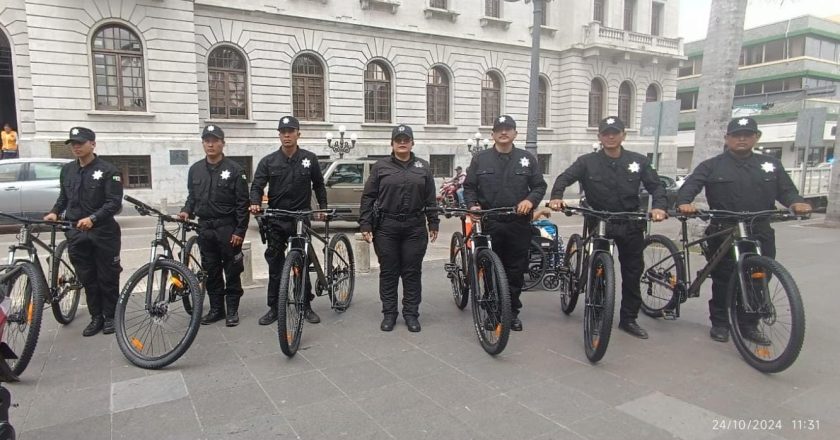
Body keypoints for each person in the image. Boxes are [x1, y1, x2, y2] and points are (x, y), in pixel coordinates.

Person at [676, 117, 811, 344]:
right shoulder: (712, 165)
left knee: (759, 278)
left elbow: (787, 191)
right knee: (723, 278)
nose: (742, 139)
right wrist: (685, 203)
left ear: (756, 138)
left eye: (747, 135)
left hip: (759, 230)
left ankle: (749, 324)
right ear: (727, 138)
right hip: (724, 230)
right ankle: (720, 322)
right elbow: (689, 187)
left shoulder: (770, 165)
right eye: (736, 135)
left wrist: (796, 202)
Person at [548, 116, 667, 340]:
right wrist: (556, 197)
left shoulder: (639, 161)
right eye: (605, 133)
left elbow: (656, 186)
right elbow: (565, 178)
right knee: (599, 268)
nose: (610, 136)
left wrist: (659, 207)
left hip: (629, 221)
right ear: (599, 136)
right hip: (599, 219)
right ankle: (598, 312)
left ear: (624, 135)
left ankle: (628, 319)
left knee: (633, 270)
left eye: (615, 132)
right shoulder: (587, 161)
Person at [462, 115, 547, 331]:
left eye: (508, 129)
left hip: (518, 224)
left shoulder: (527, 158)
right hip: (490, 223)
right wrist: (472, 205)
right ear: (492, 134)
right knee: (490, 269)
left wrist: (530, 200)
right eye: (499, 129)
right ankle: (492, 312)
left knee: (515, 270)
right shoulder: (480, 159)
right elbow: (469, 186)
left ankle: (511, 312)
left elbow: (539, 186)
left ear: (515, 134)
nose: (503, 132)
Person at [359, 124, 439, 332]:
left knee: (412, 272)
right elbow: (368, 197)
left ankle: (411, 314)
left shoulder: (423, 167)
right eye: (398, 139)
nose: (402, 143)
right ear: (392, 143)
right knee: (389, 272)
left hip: (414, 227)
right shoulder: (380, 166)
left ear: (412, 143)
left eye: (406, 139)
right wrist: (366, 223)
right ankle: (389, 314)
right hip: (387, 227)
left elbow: (430, 198)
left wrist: (433, 222)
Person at [44, 127, 123, 336]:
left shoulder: (108, 171)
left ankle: (111, 316)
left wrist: (93, 218)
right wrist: (54, 212)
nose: (76, 147)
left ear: (93, 144)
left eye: (81, 143)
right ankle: (96, 316)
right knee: (87, 277)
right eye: (73, 144)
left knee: (107, 276)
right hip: (76, 232)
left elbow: (114, 203)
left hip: (103, 232)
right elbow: (64, 197)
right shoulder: (68, 170)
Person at [250, 116, 327, 326]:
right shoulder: (268, 161)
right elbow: (257, 185)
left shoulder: (309, 159)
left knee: (301, 263)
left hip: (301, 219)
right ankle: (274, 308)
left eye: (291, 131)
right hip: (276, 219)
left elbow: (319, 185)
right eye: (283, 132)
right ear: (279, 135)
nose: (286, 135)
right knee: (275, 266)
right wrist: (255, 202)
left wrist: (321, 207)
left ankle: (306, 305)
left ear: (298, 134)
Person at [179, 125, 249, 327]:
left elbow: (242, 204)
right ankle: (217, 309)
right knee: (211, 271)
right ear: (203, 143)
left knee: (232, 269)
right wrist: (186, 210)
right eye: (206, 140)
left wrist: (239, 231)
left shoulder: (235, 170)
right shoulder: (195, 169)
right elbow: (192, 197)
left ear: (222, 143)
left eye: (214, 140)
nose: (210, 144)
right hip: (205, 228)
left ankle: (232, 310)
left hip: (227, 227)